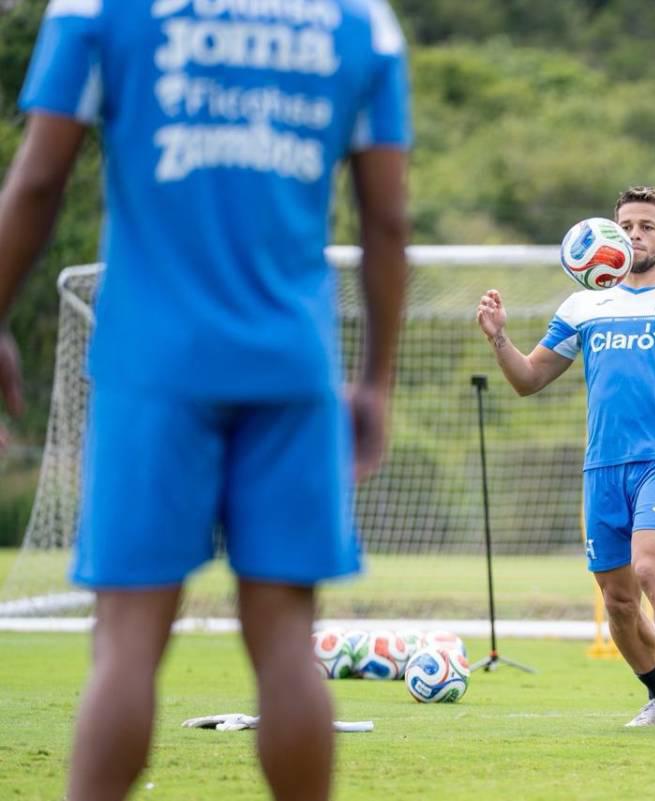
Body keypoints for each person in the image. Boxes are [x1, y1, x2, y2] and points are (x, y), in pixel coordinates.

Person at [0, 2, 411, 799]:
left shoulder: (97, 7)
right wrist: (376, 380)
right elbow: (387, 223)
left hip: (153, 369)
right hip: (291, 369)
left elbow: (39, 179)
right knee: (287, 640)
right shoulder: (361, 22)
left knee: (125, 643)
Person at [475, 186, 655, 734]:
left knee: (650, 568)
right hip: (602, 468)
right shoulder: (582, 305)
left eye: (645, 225)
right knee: (617, 599)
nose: (635, 233)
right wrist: (500, 340)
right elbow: (529, 380)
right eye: (625, 225)